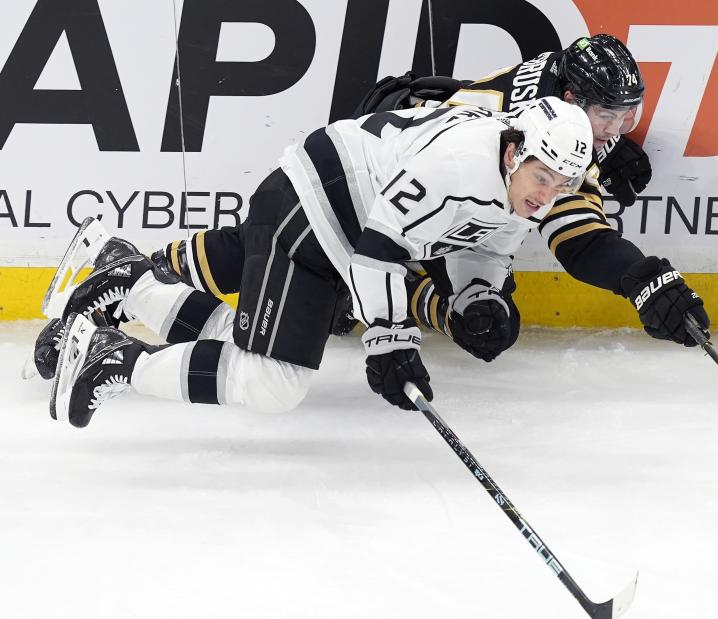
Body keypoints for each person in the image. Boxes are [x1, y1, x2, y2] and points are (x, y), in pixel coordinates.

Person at [47, 97, 597, 427]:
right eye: (541, 177)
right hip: (314, 208)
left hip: (341, 227)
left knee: (251, 350)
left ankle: (134, 281)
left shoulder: (524, 186)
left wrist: (478, 296)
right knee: (272, 382)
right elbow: (379, 250)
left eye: (561, 184)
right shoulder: (456, 166)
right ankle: (116, 359)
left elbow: (484, 246)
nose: (545, 196)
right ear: (512, 152)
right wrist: (391, 339)